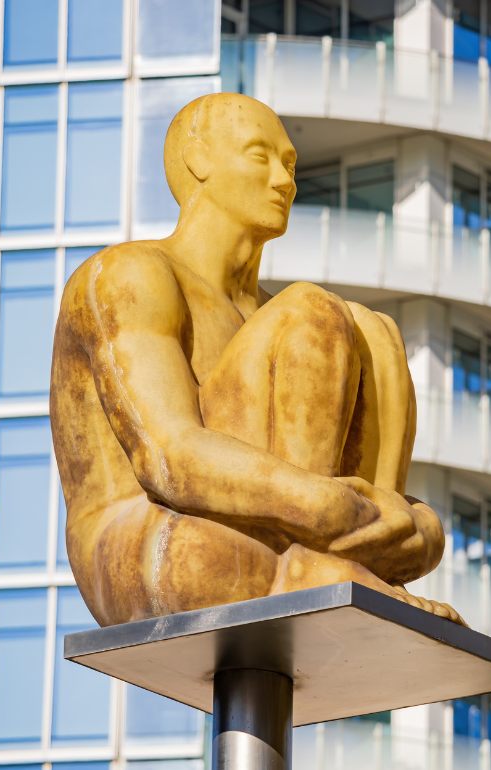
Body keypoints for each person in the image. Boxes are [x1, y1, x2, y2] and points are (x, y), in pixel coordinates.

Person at [50, 92, 462, 627]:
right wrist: (332, 508)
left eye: (290, 165)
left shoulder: (273, 319)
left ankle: (340, 562)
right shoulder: (131, 274)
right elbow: (169, 456)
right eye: (259, 156)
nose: (284, 180)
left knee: (374, 329)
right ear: (198, 160)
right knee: (313, 310)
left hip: (269, 534)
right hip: (158, 543)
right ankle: (320, 561)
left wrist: (412, 524)